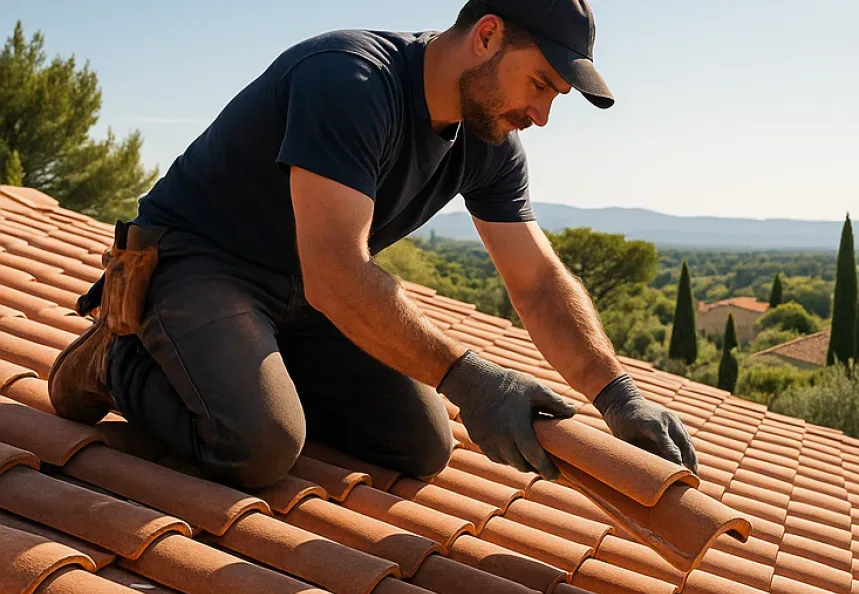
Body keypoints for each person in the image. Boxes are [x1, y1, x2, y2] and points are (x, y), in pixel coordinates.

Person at [48, 0, 698, 490]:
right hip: (199, 262)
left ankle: (254, 368)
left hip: (301, 295)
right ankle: (118, 360)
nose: (542, 116)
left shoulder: (492, 145)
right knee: (261, 446)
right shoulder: (351, 81)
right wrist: (472, 378)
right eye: (539, 85)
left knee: (422, 444)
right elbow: (337, 272)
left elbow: (537, 284)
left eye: (556, 98)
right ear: (488, 35)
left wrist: (616, 394)